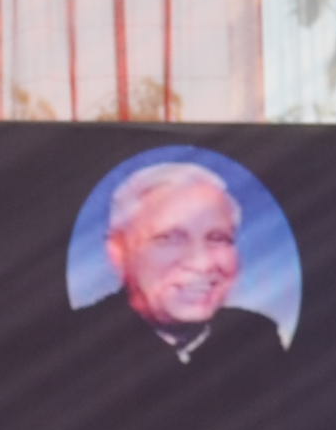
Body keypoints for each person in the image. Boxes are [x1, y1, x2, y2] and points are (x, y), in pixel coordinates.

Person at [87, 160, 287, 391]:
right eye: (170, 238)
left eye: (218, 238)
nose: (202, 263)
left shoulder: (255, 337)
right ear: (119, 253)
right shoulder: (80, 347)